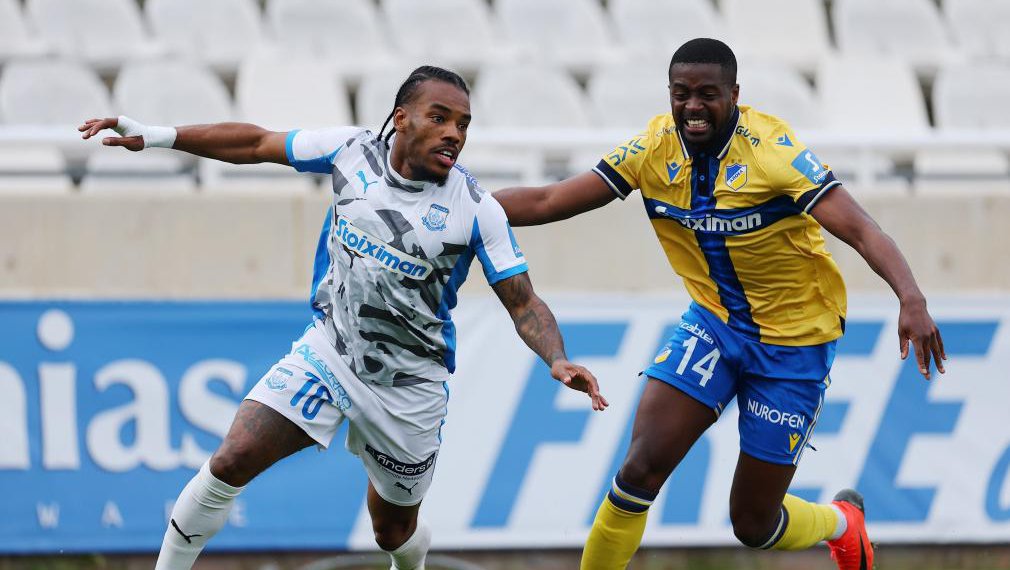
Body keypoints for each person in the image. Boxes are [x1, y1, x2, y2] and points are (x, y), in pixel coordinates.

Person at [80, 65, 608, 570]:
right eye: (439, 117)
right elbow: (257, 143)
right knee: (231, 459)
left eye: (463, 124)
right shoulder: (350, 152)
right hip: (330, 353)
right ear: (401, 117)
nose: (454, 133)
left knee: (391, 532)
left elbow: (523, 302)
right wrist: (159, 136)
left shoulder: (475, 208)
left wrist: (557, 358)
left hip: (409, 389)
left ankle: (410, 560)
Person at [493, 39, 946, 570]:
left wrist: (910, 297)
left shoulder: (774, 152)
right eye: (680, 93)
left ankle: (843, 524)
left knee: (753, 524)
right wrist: (466, 208)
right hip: (714, 326)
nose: (692, 107)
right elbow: (549, 200)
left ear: (734, 95)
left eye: (707, 94)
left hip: (794, 343)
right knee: (638, 470)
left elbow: (862, 229)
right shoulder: (652, 149)